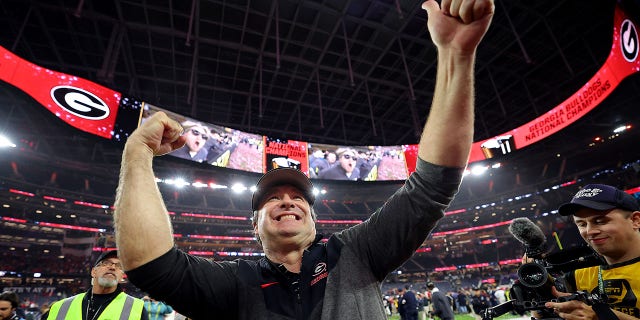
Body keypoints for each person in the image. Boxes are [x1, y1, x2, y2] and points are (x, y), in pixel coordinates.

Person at [112, 0, 495, 319]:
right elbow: (151, 266)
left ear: (315, 220)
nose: (287, 200)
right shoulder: (235, 283)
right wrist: (137, 154)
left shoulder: (356, 253)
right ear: (255, 226)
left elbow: (432, 186)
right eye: (272, 198)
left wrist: (456, 56)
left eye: (297, 198)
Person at [542, 184, 640, 320]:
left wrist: (602, 316)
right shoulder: (577, 275)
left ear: (635, 220)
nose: (589, 231)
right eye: (582, 224)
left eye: (600, 221)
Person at [42, 250, 148, 320]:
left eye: (119, 266)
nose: (112, 267)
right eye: (106, 263)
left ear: (122, 276)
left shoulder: (137, 308)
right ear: (93, 272)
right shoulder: (60, 307)